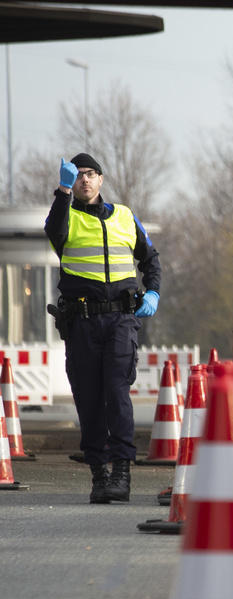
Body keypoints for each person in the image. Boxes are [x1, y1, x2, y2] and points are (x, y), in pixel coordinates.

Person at [44, 153, 161, 504]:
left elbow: (149, 258)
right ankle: (99, 473)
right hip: (81, 321)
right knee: (89, 396)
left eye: (90, 174)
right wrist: (62, 191)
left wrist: (152, 289)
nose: (85, 180)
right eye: (77, 175)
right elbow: (55, 232)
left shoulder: (124, 216)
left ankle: (122, 472)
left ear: (101, 179)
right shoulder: (65, 215)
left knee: (117, 390)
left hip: (121, 319)